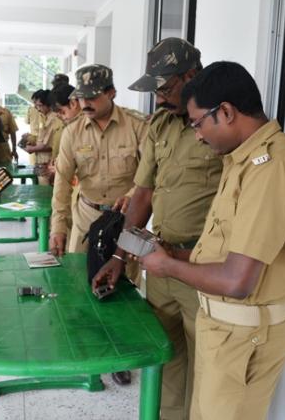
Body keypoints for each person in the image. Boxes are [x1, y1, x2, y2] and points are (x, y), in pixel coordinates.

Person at [114, 61, 285, 420]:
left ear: (225, 112)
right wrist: (173, 254)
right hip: (226, 328)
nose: (196, 135)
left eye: (198, 124)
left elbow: (237, 281)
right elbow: (227, 250)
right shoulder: (241, 160)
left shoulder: (271, 169)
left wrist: (168, 266)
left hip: (244, 333)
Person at [93, 38, 222, 420]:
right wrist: (120, 256)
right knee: (166, 361)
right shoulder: (160, 125)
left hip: (203, 268)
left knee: (208, 372)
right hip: (160, 262)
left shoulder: (220, 125)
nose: (159, 98)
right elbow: (143, 194)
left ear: (191, 75)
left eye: (165, 88)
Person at [49, 64, 148, 385]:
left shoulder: (137, 127)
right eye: (81, 98)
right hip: (86, 216)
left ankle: (119, 353)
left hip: (125, 220)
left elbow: (152, 173)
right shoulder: (73, 132)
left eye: (92, 97)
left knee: (123, 287)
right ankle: (87, 344)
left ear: (111, 93)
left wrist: (132, 195)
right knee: (79, 281)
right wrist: (58, 227)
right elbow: (61, 183)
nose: (85, 104)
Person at [25, 89, 65, 185]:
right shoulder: (43, 116)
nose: (38, 108)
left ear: (48, 105)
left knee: (46, 190)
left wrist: (32, 149)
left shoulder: (54, 119)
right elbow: (41, 138)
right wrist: (31, 139)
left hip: (48, 163)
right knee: (40, 187)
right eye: (36, 105)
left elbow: (49, 145)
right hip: (40, 161)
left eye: (40, 105)